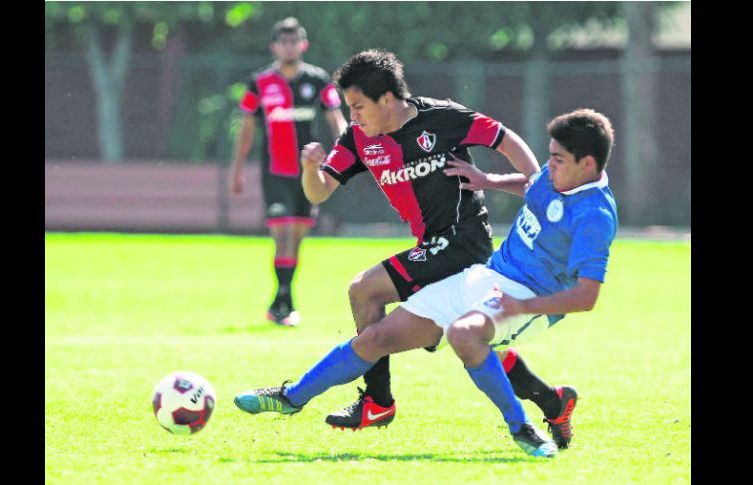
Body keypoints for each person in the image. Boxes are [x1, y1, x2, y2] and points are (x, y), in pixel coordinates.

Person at [233, 108, 617, 458]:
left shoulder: (594, 216)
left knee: (465, 335)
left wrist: (522, 307)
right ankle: (291, 398)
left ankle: (522, 428)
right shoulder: (557, 177)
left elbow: (586, 296)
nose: (547, 166)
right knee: (375, 338)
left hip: (530, 298)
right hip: (486, 276)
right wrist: (488, 179)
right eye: (549, 155)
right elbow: (534, 185)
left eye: (557, 159)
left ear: (587, 164)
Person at [229, 17, 348, 326]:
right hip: (275, 171)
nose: (288, 46)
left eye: (294, 41)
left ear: (303, 45)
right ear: (274, 46)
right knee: (281, 232)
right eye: (283, 41)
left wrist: (347, 150)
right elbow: (247, 130)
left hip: (308, 173)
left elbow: (336, 119)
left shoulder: (319, 80)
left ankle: (280, 300)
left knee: (296, 236)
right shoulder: (259, 83)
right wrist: (237, 170)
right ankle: (285, 303)